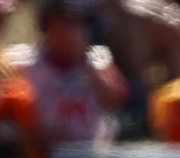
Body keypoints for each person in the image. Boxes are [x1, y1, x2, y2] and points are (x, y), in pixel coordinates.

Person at [3, 0, 128, 147]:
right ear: (48, 24)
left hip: (92, 154)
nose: (75, 29)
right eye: (67, 22)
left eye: (80, 23)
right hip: (43, 155)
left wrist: (85, 61)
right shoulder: (22, 62)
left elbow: (115, 101)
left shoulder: (99, 60)